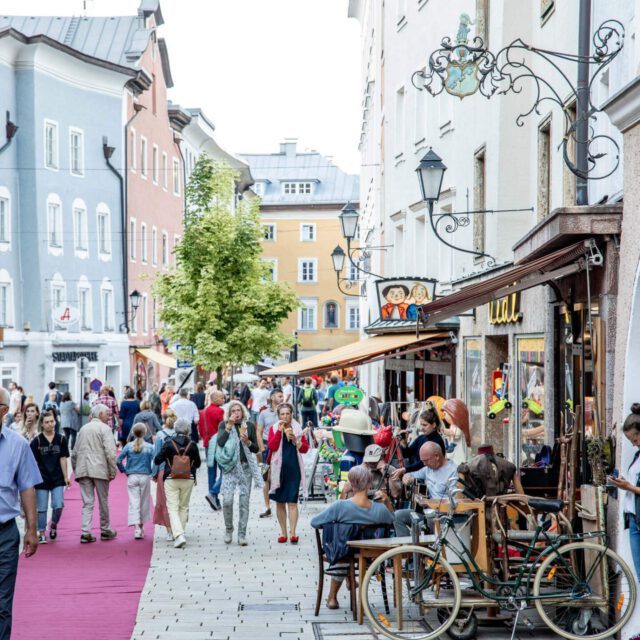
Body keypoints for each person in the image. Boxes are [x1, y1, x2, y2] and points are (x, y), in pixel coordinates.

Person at [311, 465, 394, 610]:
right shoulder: (379, 509)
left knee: (343, 550)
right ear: (370, 484)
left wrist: (343, 493)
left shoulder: (339, 507)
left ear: (351, 484)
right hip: (370, 554)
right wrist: (387, 501)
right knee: (351, 551)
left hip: (343, 552)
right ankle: (350, 581)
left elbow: (315, 522)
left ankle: (332, 597)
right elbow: (391, 518)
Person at [0, 387, 41, 640]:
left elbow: (27, 488)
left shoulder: (18, 445)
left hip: (4, 535)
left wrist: (31, 530)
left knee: (2, 601)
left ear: (3, 411)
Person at [215, 401, 262, 546]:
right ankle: (229, 529)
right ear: (229, 413)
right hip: (229, 468)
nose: (236, 413)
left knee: (244, 503)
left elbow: (256, 449)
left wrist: (247, 442)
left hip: (245, 468)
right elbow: (220, 443)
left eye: (238, 410)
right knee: (227, 500)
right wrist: (228, 427)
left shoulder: (248, 426)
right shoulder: (224, 425)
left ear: (243, 412)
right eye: (233, 411)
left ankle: (242, 534)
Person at [71, 404, 118, 543]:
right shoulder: (105, 429)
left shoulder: (83, 429)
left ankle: (86, 531)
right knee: (103, 501)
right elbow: (110, 452)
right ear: (101, 414)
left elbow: (74, 452)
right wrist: (112, 470)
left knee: (87, 502)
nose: (108, 416)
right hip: (100, 469)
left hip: (83, 469)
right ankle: (105, 529)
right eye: (107, 414)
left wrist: (76, 469)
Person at [393, 442, 460, 537]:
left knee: (420, 527)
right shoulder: (428, 469)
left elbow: (455, 501)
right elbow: (411, 475)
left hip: (442, 516)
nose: (424, 464)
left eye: (426, 460)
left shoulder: (453, 471)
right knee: (397, 516)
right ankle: (406, 549)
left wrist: (429, 502)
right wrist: (407, 478)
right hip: (426, 513)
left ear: (437, 456)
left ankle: (417, 550)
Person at [154, 418, 201, 549]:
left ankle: (178, 535)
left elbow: (157, 460)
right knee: (184, 506)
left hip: (171, 478)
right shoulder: (192, 444)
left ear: (175, 429)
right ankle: (181, 533)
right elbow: (197, 463)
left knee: (172, 508)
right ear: (188, 430)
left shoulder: (168, 442)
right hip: (188, 478)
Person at [268, 403, 309, 544]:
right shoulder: (274, 428)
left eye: (288, 413)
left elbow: (305, 449)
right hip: (278, 470)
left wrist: (295, 440)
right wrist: (280, 432)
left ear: (292, 414)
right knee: (280, 502)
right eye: (282, 414)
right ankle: (283, 532)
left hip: (293, 468)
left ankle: (293, 532)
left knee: (292, 502)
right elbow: (272, 447)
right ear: (278, 415)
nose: (285, 416)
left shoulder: (297, 429)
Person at [30, 411, 70, 544]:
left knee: (58, 505)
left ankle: (53, 524)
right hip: (41, 478)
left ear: (55, 422)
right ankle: (41, 532)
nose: (50, 424)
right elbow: (33, 462)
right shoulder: (37, 441)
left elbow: (63, 458)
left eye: (52, 421)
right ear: (42, 424)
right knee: (41, 508)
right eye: (46, 422)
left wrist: (66, 477)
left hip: (57, 478)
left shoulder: (62, 439)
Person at [611, 403, 640, 580]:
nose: (634, 445)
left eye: (635, 440)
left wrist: (627, 486)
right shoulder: (638, 457)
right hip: (633, 519)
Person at [117, 423, 154, 540]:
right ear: (145, 433)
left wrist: (124, 470)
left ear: (133, 433)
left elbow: (118, 460)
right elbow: (156, 460)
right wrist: (153, 472)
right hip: (145, 475)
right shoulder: (149, 447)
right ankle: (141, 527)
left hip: (132, 475)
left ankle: (137, 528)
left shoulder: (128, 446)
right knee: (144, 502)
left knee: (134, 502)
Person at [257, 387, 284, 518]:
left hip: (281, 448)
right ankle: (267, 507)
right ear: (272, 397)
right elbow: (259, 431)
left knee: (281, 476)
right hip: (267, 447)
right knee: (265, 478)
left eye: (282, 396)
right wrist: (262, 447)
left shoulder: (285, 412)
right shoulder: (264, 413)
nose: (282, 398)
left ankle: (280, 503)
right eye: (279, 396)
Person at [397, 406, 446, 473]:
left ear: (434, 425)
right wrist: (403, 443)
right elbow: (407, 454)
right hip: (420, 475)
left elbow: (424, 463)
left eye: (425, 425)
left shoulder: (437, 441)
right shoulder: (421, 437)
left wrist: (405, 469)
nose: (421, 428)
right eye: (421, 425)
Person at [152, 410, 177, 541]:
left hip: (164, 470)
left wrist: (154, 473)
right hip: (180, 471)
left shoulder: (160, 435)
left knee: (165, 501)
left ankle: (169, 531)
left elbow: (157, 456)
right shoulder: (181, 433)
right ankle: (179, 527)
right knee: (178, 501)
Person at [200, 390, 225, 510]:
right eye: (221, 398)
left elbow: (200, 429)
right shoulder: (220, 411)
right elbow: (223, 429)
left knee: (211, 472)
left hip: (207, 443)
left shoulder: (203, 412)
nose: (223, 399)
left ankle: (214, 499)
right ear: (214, 399)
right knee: (226, 472)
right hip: (218, 444)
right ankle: (213, 493)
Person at [442, 398, 471, 466]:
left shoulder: (457, 427)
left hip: (457, 451)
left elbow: (456, 434)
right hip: (452, 449)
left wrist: (446, 431)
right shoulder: (452, 425)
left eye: (445, 414)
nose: (444, 416)